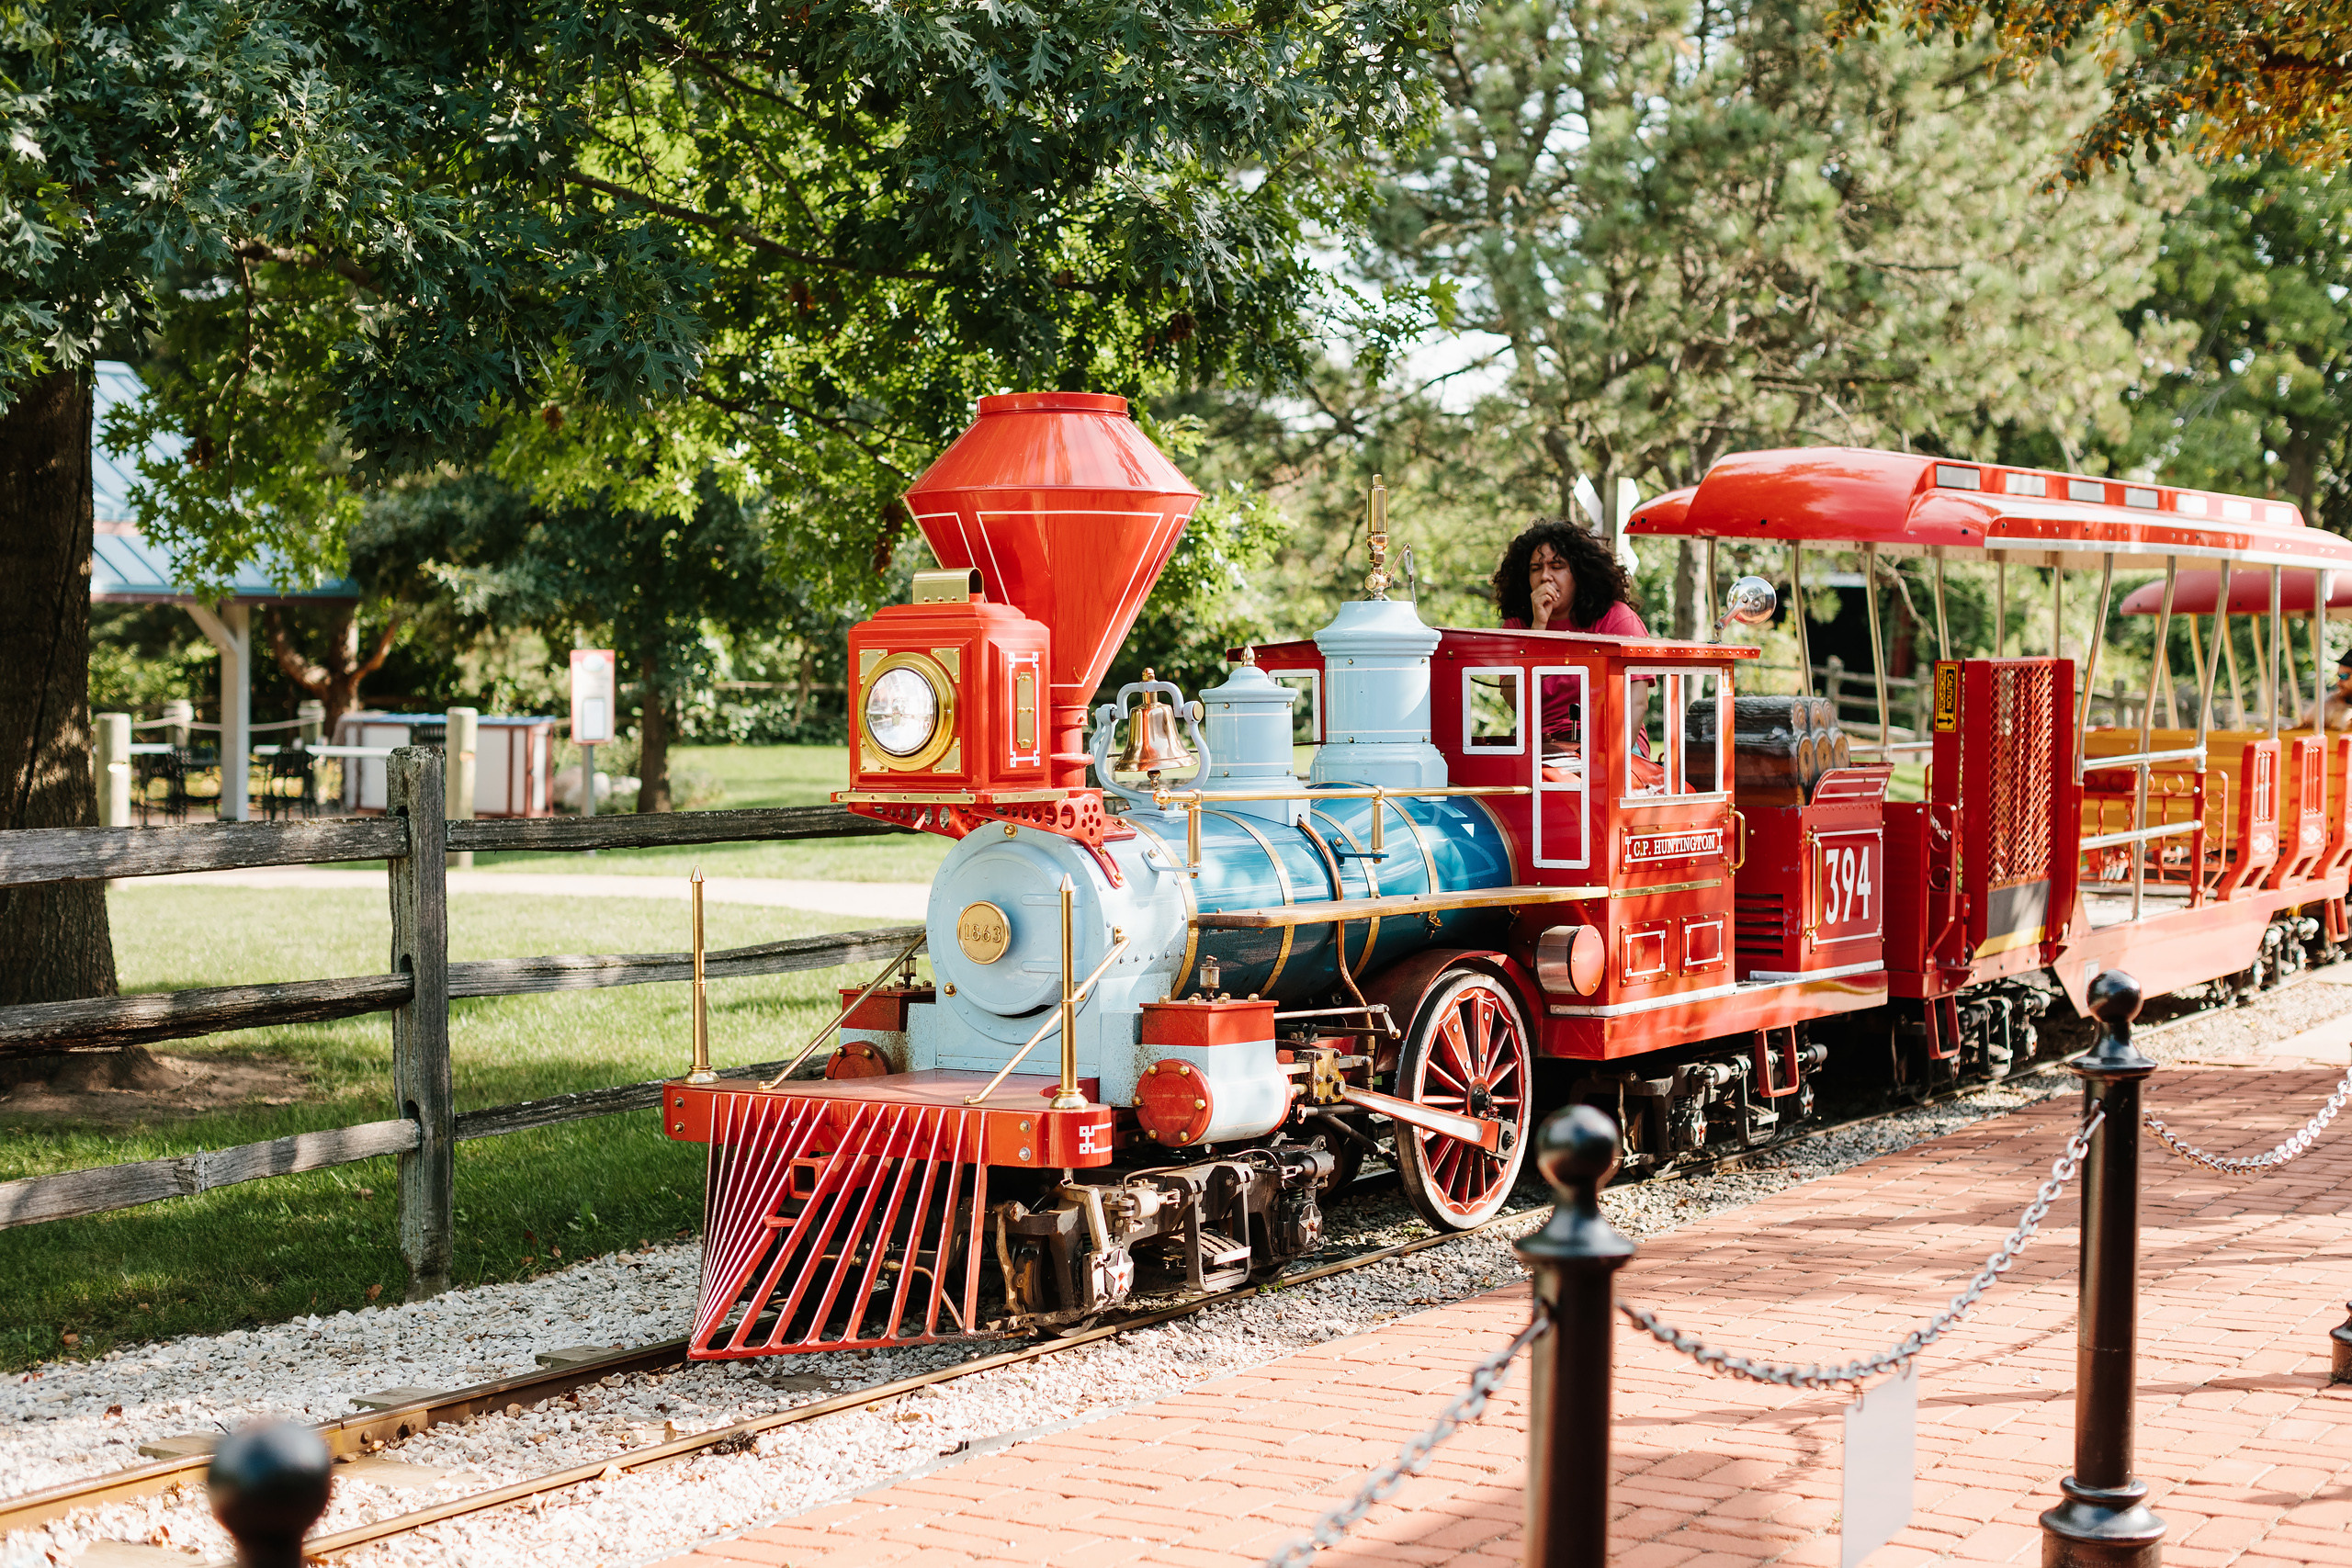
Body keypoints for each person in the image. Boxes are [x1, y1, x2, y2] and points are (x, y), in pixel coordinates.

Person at [1490, 520, 1657, 786]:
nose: (1545, 576)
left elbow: (1636, 703)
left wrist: (1605, 764)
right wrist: (1538, 630)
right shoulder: (1518, 627)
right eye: (1536, 568)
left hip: (1615, 746)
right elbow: (1515, 701)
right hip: (1545, 748)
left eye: (1557, 567)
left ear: (1579, 573)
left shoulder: (1616, 618)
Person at [2301, 648, 2352, 731]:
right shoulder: (2336, 700)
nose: (2338, 683)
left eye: (2344, 677)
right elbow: (2307, 721)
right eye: (2339, 676)